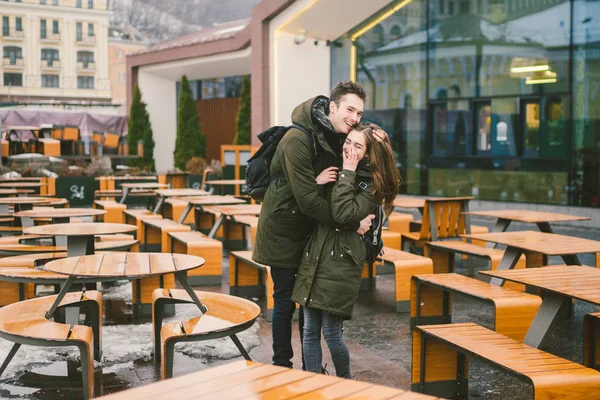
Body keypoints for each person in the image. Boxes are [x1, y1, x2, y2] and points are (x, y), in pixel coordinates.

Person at [252, 81, 385, 369]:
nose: (355, 118)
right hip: (284, 232)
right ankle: (282, 365)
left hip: (311, 231)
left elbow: (362, 159)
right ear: (332, 107)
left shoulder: (335, 133)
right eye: (350, 110)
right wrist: (351, 223)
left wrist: (379, 140)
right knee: (285, 300)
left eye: (360, 113)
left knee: (307, 301)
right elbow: (309, 202)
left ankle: (309, 368)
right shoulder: (298, 139)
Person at [291, 122, 401, 378]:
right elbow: (319, 208)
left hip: (340, 263)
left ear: (368, 154)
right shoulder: (337, 169)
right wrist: (317, 183)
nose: (349, 148)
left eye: (358, 145)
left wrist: (349, 172)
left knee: (331, 332)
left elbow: (342, 213)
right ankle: (313, 382)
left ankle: (345, 382)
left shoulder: (369, 182)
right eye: (348, 142)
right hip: (316, 255)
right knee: (308, 330)